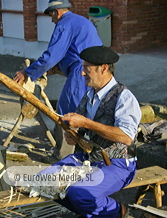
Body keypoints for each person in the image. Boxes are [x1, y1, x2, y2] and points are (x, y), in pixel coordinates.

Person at [47, 46, 141, 218]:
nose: (82, 73)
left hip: (119, 163)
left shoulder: (124, 97)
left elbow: (126, 136)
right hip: (90, 158)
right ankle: (91, 211)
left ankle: (114, 214)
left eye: (87, 68)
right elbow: (84, 130)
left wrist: (86, 123)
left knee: (79, 192)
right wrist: (75, 136)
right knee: (47, 181)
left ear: (103, 68)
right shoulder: (90, 94)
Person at [13, 0, 102, 161]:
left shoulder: (64, 24)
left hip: (82, 70)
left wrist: (27, 72)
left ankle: (62, 157)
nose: (51, 19)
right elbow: (72, 50)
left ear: (58, 12)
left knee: (67, 110)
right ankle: (88, 153)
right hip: (99, 70)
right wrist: (59, 67)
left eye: (51, 15)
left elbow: (52, 56)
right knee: (90, 108)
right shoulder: (80, 21)